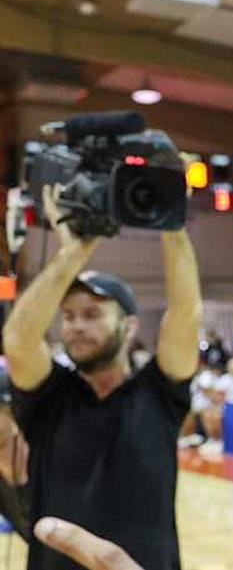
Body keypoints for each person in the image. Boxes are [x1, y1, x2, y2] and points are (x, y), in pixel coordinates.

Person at [1, 184, 201, 570]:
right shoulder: (51, 396)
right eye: (68, 316)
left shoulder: (159, 393)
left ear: (129, 325)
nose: (74, 326)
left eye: (91, 314)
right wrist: (74, 251)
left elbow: (185, 312)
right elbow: (18, 339)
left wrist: (172, 224)